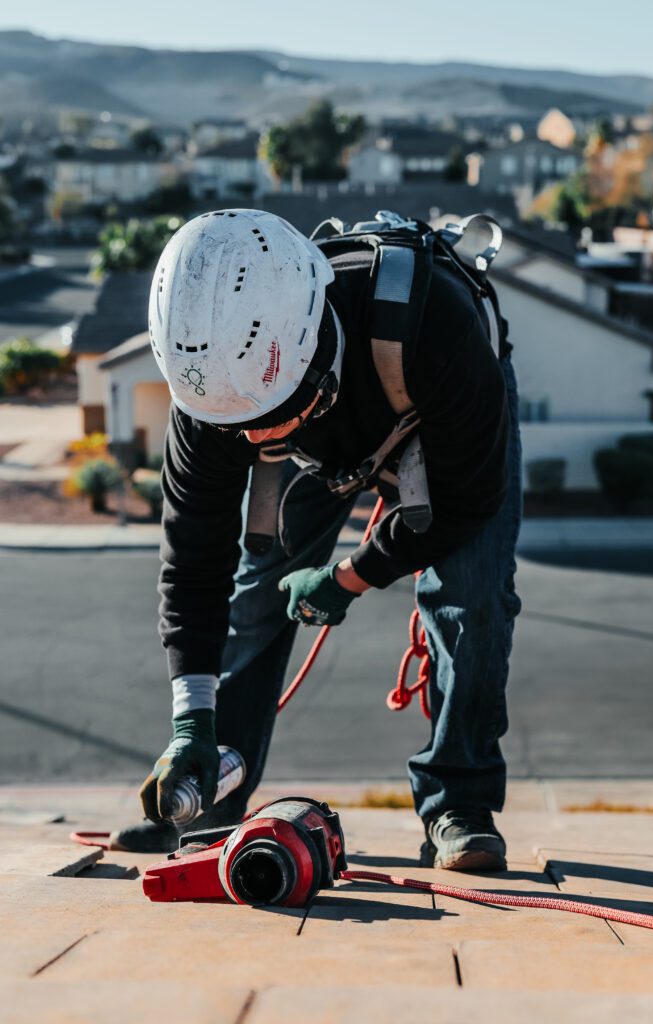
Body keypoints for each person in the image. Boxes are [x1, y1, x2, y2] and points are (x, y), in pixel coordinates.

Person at [123, 208, 522, 872]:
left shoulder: (435, 328)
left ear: (309, 349)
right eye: (239, 427)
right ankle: (212, 804)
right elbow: (194, 564)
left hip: (428, 421)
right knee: (253, 604)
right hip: (321, 440)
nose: (253, 441)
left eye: (271, 419)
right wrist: (190, 719)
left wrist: (350, 576)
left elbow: (465, 504)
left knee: (470, 599)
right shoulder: (214, 398)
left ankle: (459, 803)